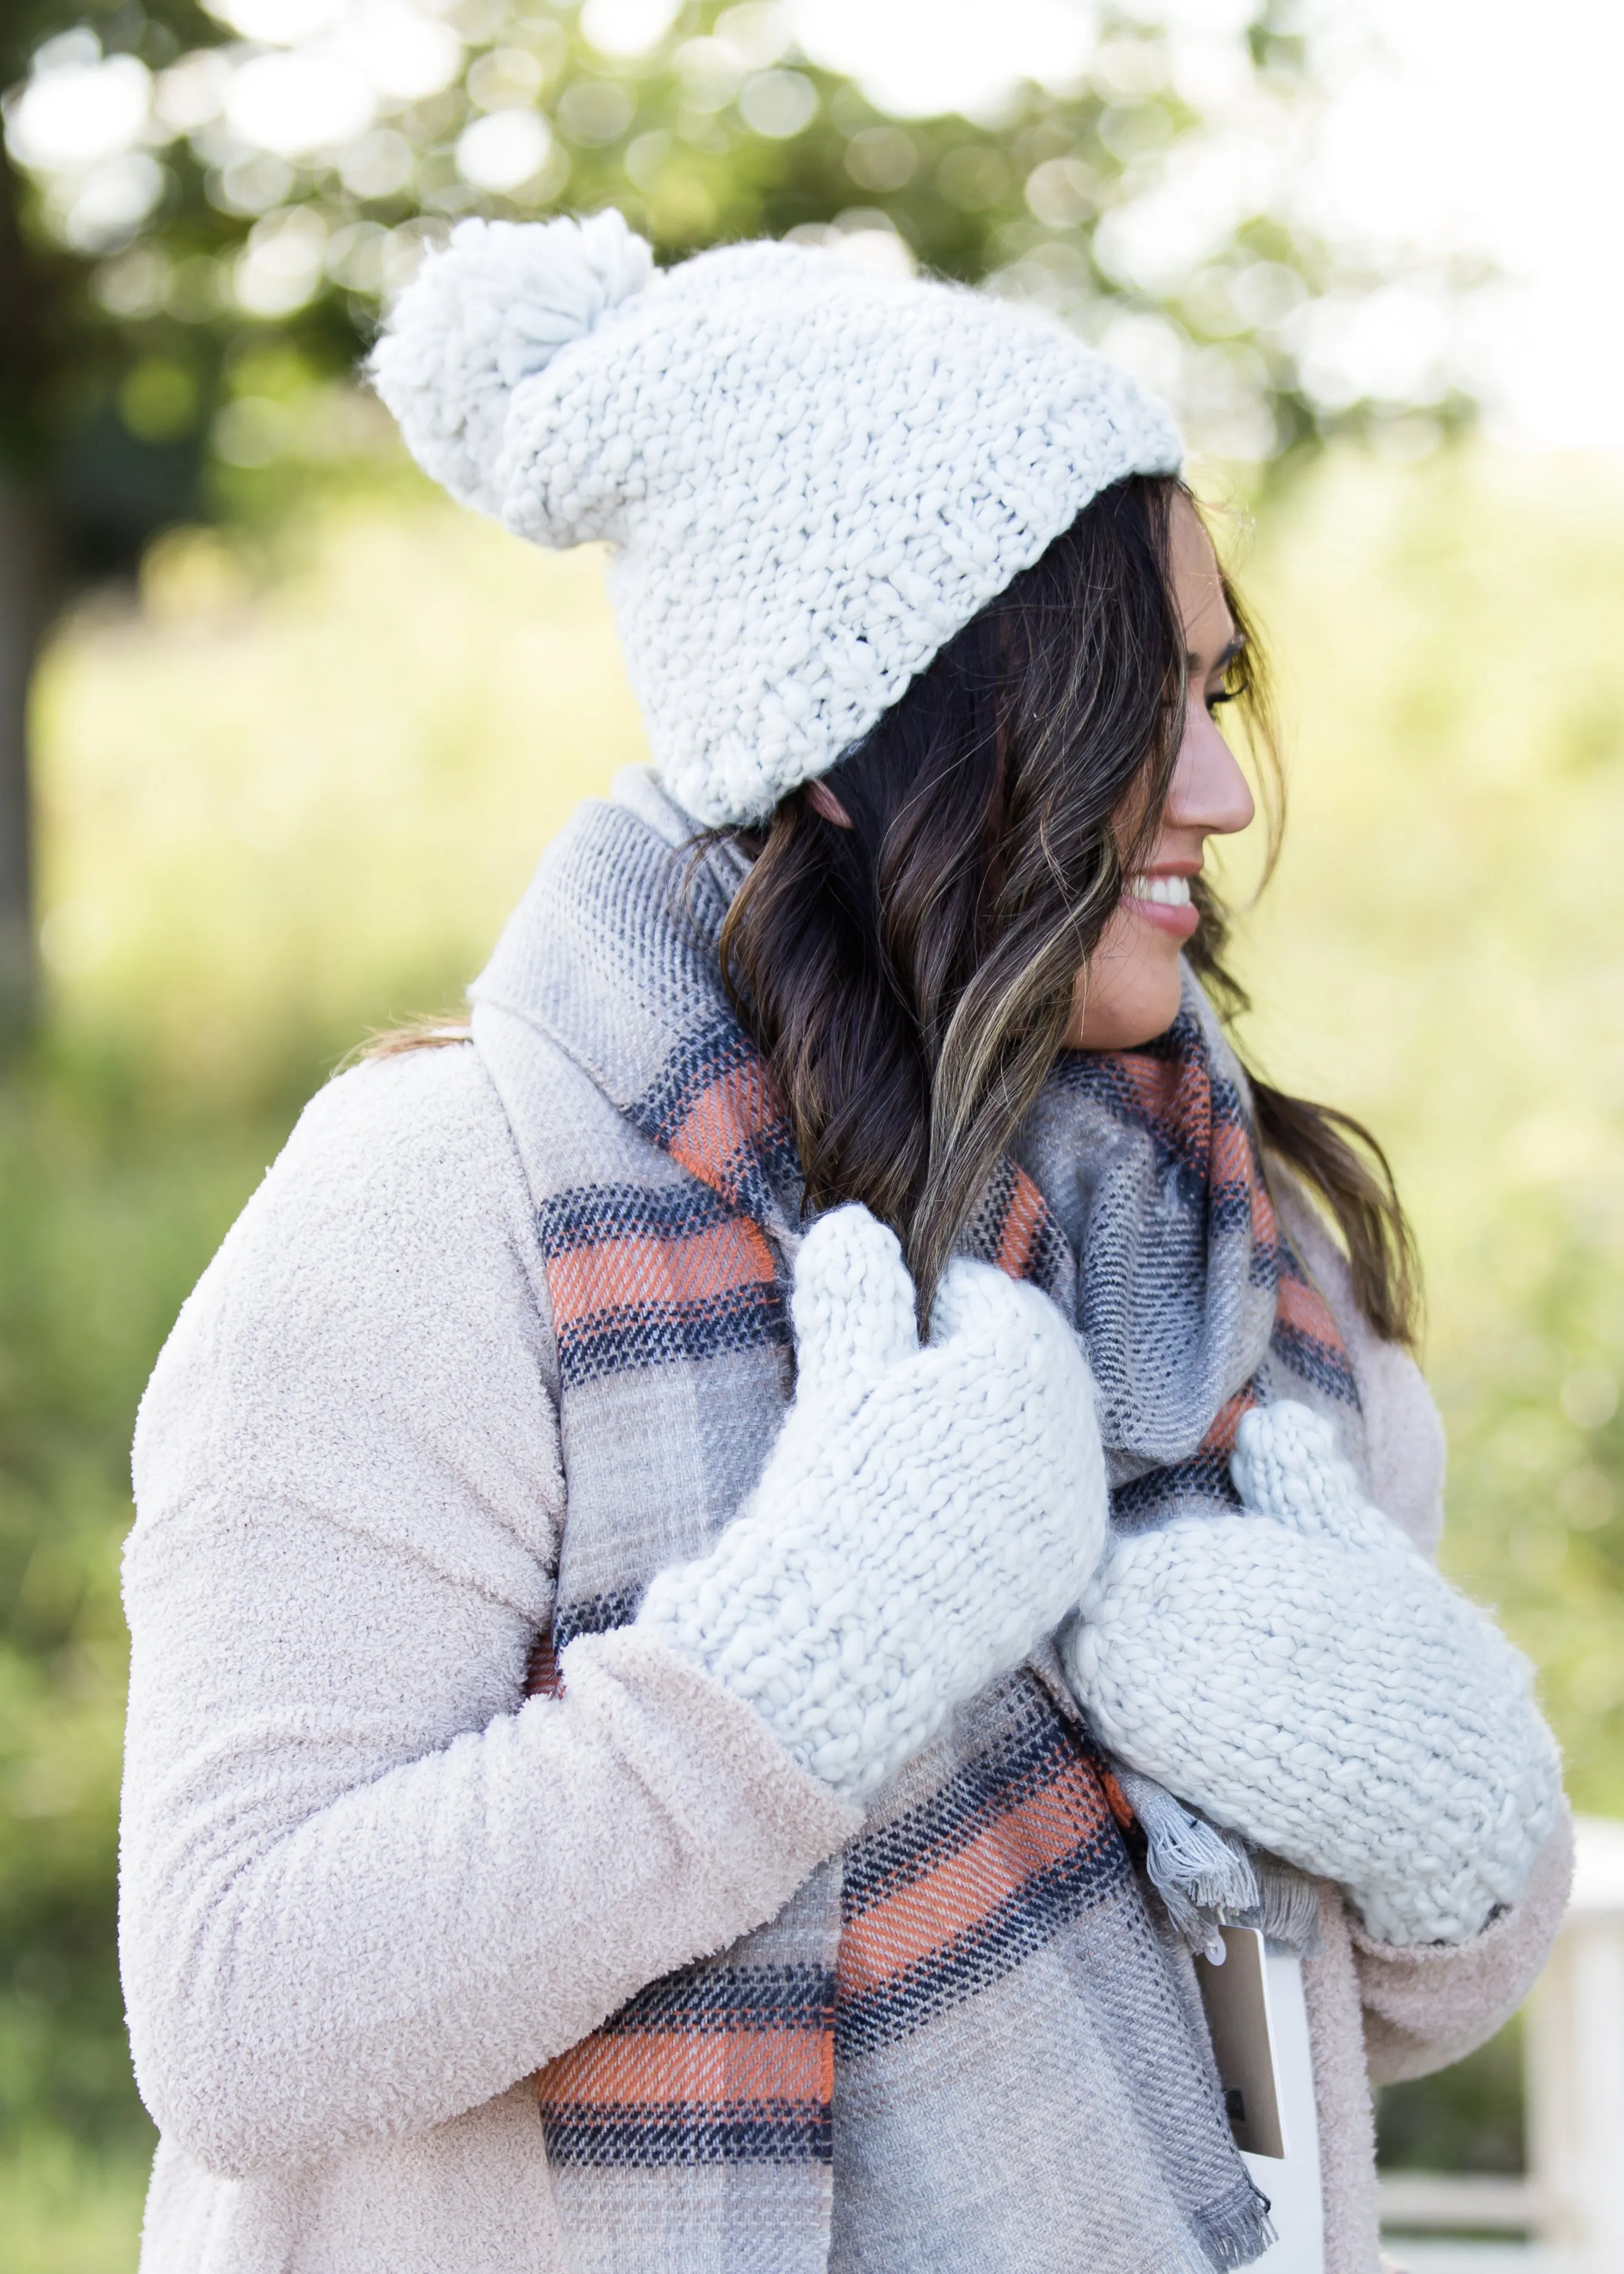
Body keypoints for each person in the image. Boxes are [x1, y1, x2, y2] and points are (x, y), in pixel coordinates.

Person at [119, 213, 1569, 2274]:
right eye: (1130, 707)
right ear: (876, 731)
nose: (1228, 789)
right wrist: (778, 1681)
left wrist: (1454, 1826)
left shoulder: (1245, 1266)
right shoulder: (447, 1211)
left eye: (1217, 687)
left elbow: (1377, 2015)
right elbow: (241, 2016)